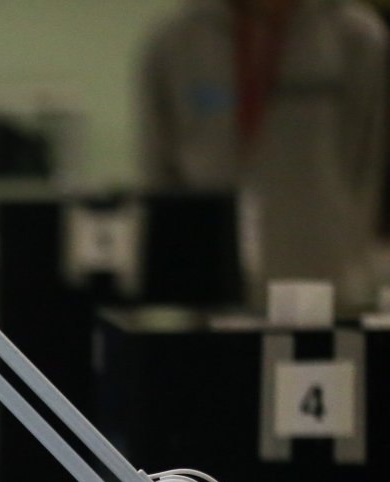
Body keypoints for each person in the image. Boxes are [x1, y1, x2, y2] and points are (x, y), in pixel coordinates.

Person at [139, 0, 388, 307]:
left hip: (326, 281)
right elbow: (159, 170)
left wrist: (351, 250)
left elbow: (369, 161)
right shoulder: (176, 41)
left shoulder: (356, 37)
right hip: (212, 286)